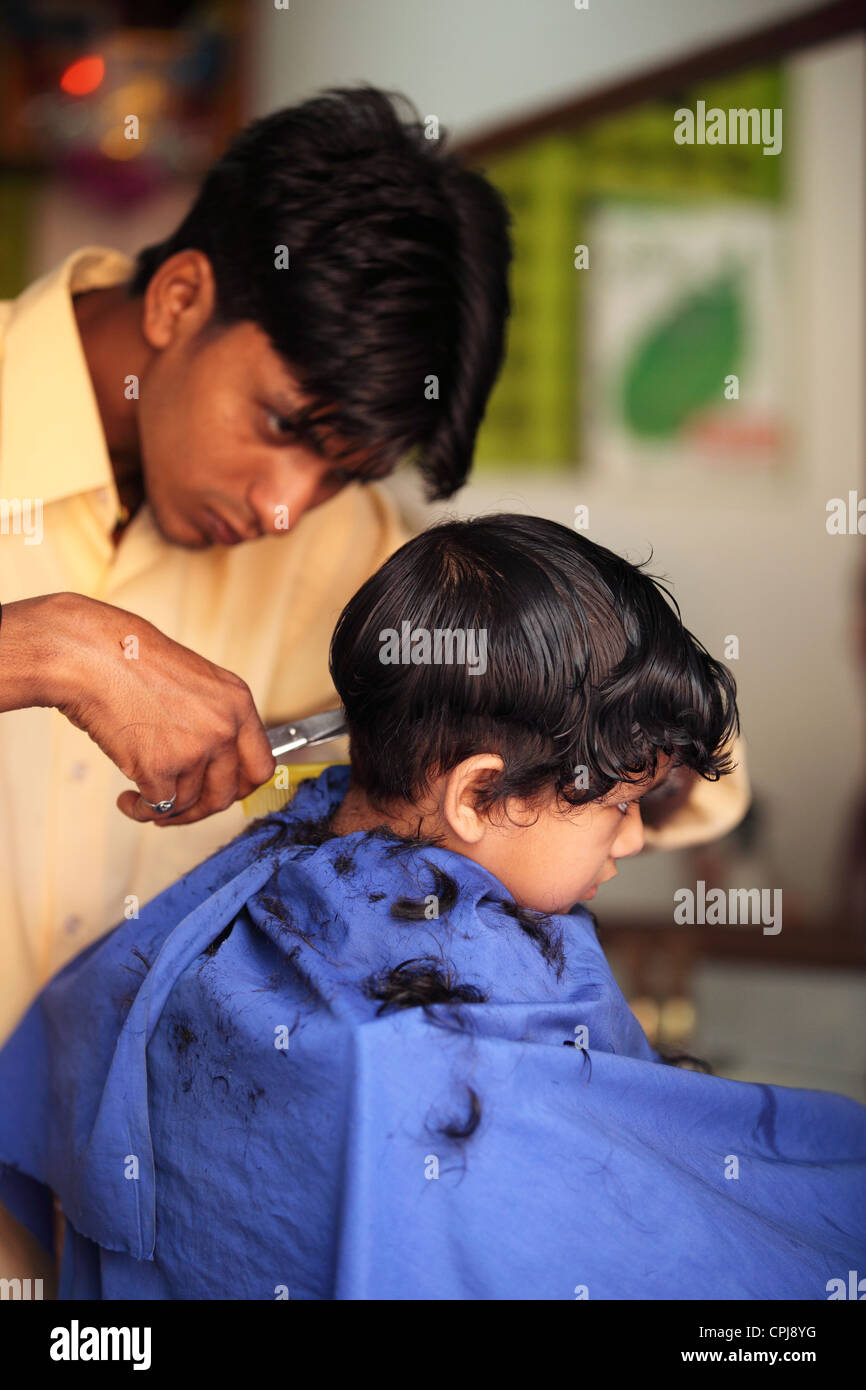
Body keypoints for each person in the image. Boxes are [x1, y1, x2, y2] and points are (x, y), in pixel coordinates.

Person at [0, 515, 861, 1300]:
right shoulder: (407, 1059)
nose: (633, 842)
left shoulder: (253, 885)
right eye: (617, 807)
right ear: (478, 796)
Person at [0, 85, 513, 1049]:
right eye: (282, 424)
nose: (285, 508)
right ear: (180, 298)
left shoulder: (351, 551)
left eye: (341, 473)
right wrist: (47, 648)